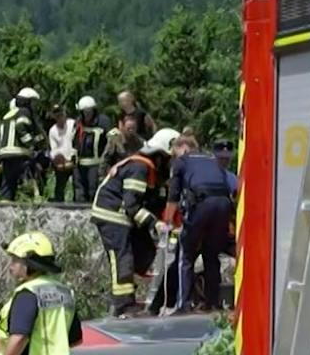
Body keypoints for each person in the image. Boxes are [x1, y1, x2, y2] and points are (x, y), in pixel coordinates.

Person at [90, 127, 178, 316]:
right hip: (112, 216)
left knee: (145, 250)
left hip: (125, 217)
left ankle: (129, 293)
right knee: (123, 257)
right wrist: (155, 224)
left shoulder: (150, 169)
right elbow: (131, 206)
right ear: (161, 156)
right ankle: (123, 304)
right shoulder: (139, 168)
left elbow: (153, 202)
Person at [168, 133, 235, 313]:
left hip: (201, 204)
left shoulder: (181, 161)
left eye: (174, 152)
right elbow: (232, 186)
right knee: (211, 255)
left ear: (182, 147)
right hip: (224, 205)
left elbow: (173, 196)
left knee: (186, 255)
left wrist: (168, 222)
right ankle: (212, 303)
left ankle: (183, 305)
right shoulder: (212, 160)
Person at [0, 87, 41, 201]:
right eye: (33, 102)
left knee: (8, 184)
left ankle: (5, 204)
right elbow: (21, 127)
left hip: (5, 153)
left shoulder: (8, 115)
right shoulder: (24, 112)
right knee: (27, 181)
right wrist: (31, 144)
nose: (34, 106)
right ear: (28, 101)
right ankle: (32, 203)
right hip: (19, 152)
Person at [72, 96, 109, 203]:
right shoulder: (78, 122)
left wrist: (106, 161)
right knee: (79, 190)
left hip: (96, 164)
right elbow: (74, 141)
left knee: (93, 190)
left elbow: (110, 141)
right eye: (84, 111)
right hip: (79, 164)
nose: (87, 114)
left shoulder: (103, 122)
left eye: (89, 111)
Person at [47, 108, 75, 203]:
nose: (59, 118)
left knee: (77, 184)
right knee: (60, 185)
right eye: (57, 116)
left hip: (74, 159)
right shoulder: (53, 130)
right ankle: (59, 203)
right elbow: (53, 149)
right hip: (61, 161)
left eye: (61, 115)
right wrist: (58, 160)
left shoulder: (72, 124)